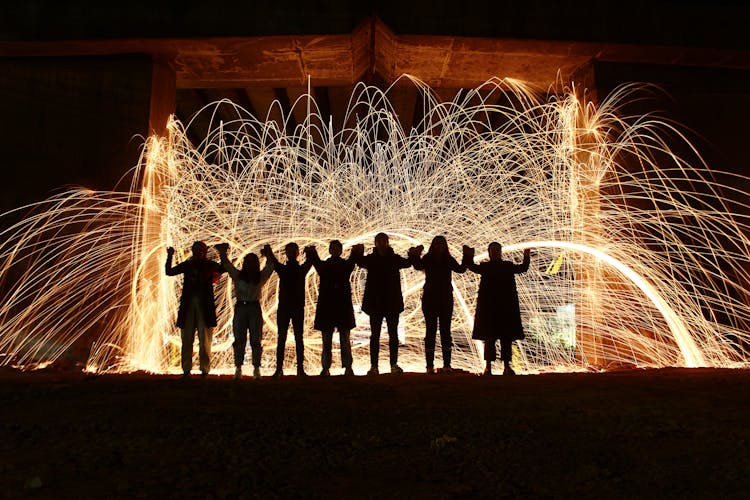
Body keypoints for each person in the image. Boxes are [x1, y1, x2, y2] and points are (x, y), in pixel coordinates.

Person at [463, 242, 531, 375]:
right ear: (489, 252)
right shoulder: (488, 266)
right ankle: (489, 367)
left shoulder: (506, 265)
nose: (494, 252)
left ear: (500, 252)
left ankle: (505, 366)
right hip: (491, 307)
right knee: (490, 338)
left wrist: (526, 255)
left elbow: (523, 268)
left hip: (502, 307)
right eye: (492, 250)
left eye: (497, 250)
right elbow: (471, 267)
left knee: (505, 338)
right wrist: (468, 255)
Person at [165, 241, 225, 379]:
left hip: (204, 308)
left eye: (201, 250)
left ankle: (204, 370)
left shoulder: (209, 265)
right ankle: (187, 370)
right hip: (188, 308)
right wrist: (169, 256)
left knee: (205, 341)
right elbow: (169, 272)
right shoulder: (188, 265)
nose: (198, 252)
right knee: (187, 340)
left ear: (205, 252)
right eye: (196, 250)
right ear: (193, 251)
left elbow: (224, 268)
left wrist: (222, 253)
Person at [353, 232, 412, 375]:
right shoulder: (372, 259)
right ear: (375, 243)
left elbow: (408, 263)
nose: (381, 243)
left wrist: (412, 255)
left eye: (383, 241)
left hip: (390, 303)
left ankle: (393, 364)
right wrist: (357, 252)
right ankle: (374, 366)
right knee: (375, 335)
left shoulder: (393, 259)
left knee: (392, 335)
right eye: (379, 241)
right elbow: (359, 261)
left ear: (387, 242)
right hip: (377, 304)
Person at [215, 243, 274, 380]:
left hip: (253, 308)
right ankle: (238, 368)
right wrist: (222, 253)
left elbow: (271, 266)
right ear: (245, 263)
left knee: (256, 339)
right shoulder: (238, 275)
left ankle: (256, 369)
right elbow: (227, 265)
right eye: (248, 262)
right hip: (241, 308)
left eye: (253, 262)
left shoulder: (259, 277)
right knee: (239, 339)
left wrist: (269, 253)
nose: (250, 265)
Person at [409, 236, 466, 374]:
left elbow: (460, 269)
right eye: (437, 243)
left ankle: (447, 365)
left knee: (445, 331)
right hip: (431, 299)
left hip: (444, 299)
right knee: (431, 331)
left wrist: (467, 256)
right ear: (433, 245)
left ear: (445, 246)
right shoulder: (428, 259)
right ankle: (429, 366)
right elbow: (417, 266)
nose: (439, 246)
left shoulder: (448, 259)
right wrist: (414, 255)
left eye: (441, 244)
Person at [307, 241, 361, 376]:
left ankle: (342, 367)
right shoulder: (337, 265)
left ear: (340, 250)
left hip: (333, 307)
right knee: (329, 339)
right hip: (334, 307)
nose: (335, 250)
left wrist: (312, 253)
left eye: (337, 248)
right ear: (330, 250)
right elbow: (317, 263)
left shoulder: (330, 265)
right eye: (333, 248)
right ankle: (328, 368)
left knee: (342, 339)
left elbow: (317, 263)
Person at [266, 242, 313, 378]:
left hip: (293, 307)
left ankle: (294, 369)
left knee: (295, 338)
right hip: (288, 307)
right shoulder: (292, 269)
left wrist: (310, 252)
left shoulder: (291, 269)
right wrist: (309, 252)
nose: (292, 253)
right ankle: (284, 369)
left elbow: (309, 262)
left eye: (294, 250)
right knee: (286, 338)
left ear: (297, 253)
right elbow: (274, 262)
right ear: (286, 253)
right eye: (289, 250)